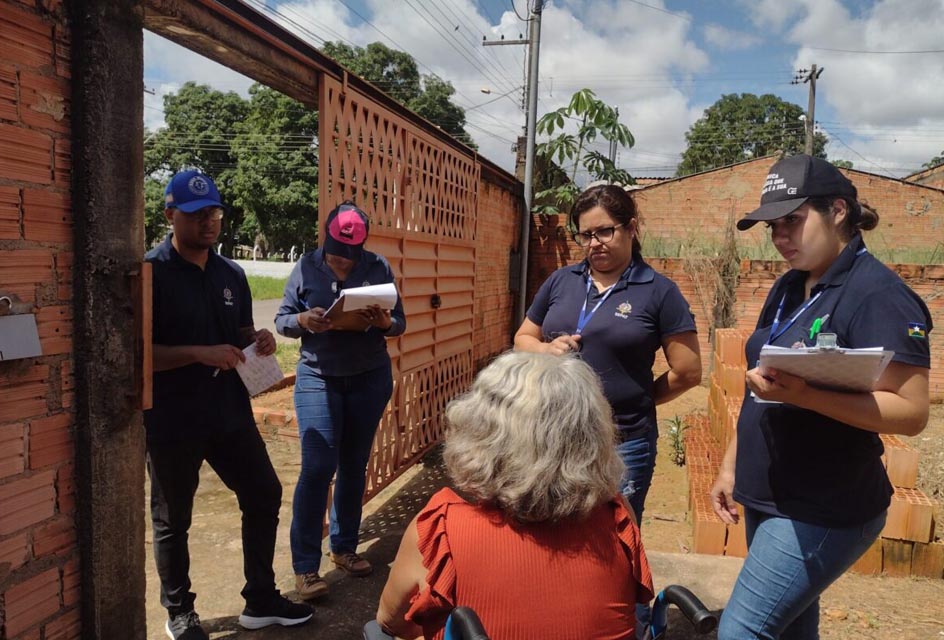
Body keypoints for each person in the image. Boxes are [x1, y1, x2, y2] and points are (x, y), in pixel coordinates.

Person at [710, 155, 932, 640]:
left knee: (740, 632)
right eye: (773, 225)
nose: (780, 236)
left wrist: (807, 395)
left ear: (837, 211)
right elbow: (760, 387)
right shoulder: (791, 286)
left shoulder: (878, 295)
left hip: (822, 504)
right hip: (771, 494)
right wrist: (732, 464)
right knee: (790, 630)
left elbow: (912, 413)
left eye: (792, 220)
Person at [375, 351, 655, 640]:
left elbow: (391, 622)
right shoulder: (618, 517)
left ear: (479, 431)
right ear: (593, 435)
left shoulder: (440, 528)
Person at [145, 170, 313, 640]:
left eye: (215, 213)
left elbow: (236, 331)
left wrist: (255, 337)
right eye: (198, 215)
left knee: (263, 493)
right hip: (172, 417)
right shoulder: (150, 274)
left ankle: (260, 598)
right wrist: (200, 353)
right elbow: (141, 357)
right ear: (170, 215)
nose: (209, 223)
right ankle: (179, 612)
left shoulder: (231, 274)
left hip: (228, 410)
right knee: (172, 518)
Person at [514, 184, 702, 525]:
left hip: (621, 441)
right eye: (585, 235)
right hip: (552, 435)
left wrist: (639, 402)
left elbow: (688, 371)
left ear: (631, 228)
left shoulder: (659, 292)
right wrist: (545, 348)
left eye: (604, 231)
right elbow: (523, 337)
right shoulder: (561, 281)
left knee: (614, 538)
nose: (594, 243)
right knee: (552, 531)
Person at [275, 201, 406, 601]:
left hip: (368, 377)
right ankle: (305, 567)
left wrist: (384, 322)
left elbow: (399, 322)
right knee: (318, 467)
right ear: (326, 237)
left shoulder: (378, 267)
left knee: (354, 464)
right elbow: (282, 320)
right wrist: (302, 321)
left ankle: (344, 547)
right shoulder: (306, 267)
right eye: (336, 253)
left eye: (350, 256)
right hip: (318, 377)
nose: (342, 262)